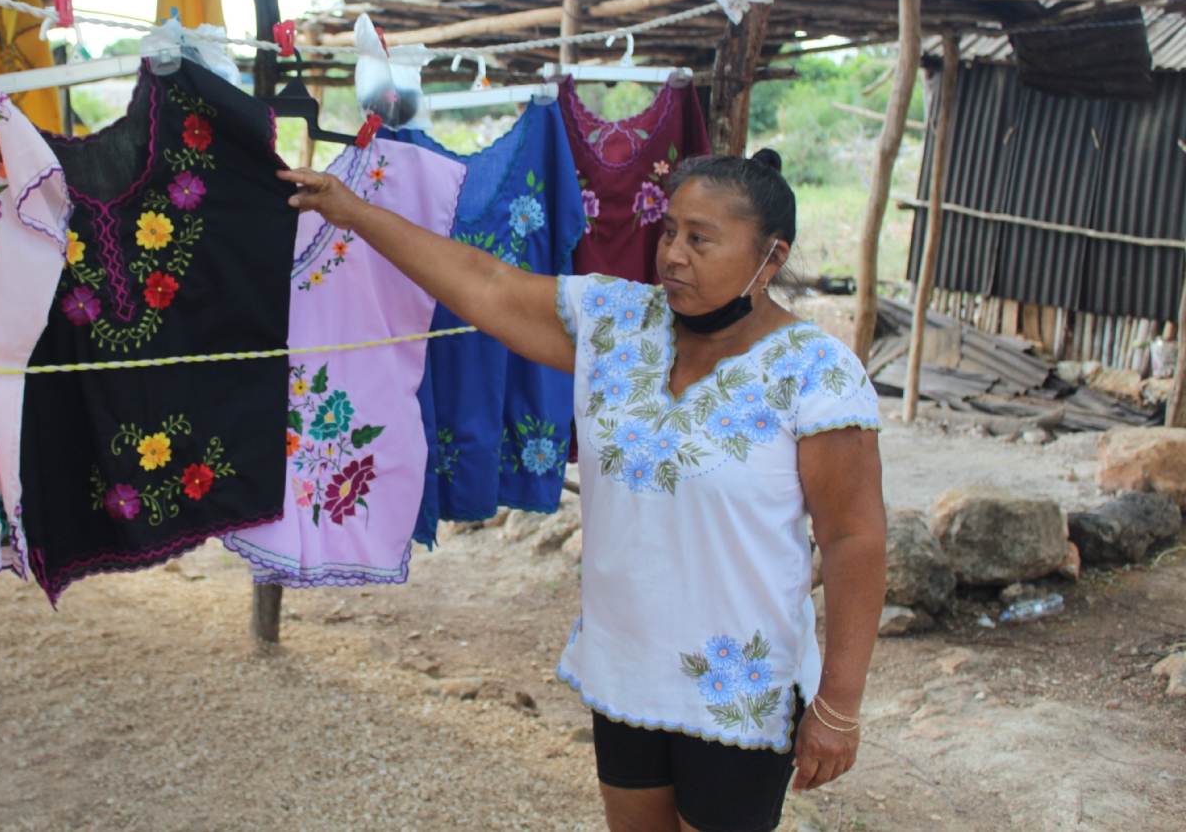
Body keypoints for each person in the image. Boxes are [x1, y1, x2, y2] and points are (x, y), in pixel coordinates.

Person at [280, 148, 886, 832]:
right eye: (670, 232)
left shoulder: (818, 374)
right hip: (626, 667)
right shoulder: (617, 321)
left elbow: (853, 539)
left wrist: (838, 704)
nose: (673, 256)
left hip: (739, 690)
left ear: (770, 260)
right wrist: (352, 211)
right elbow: (486, 284)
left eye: (701, 239)